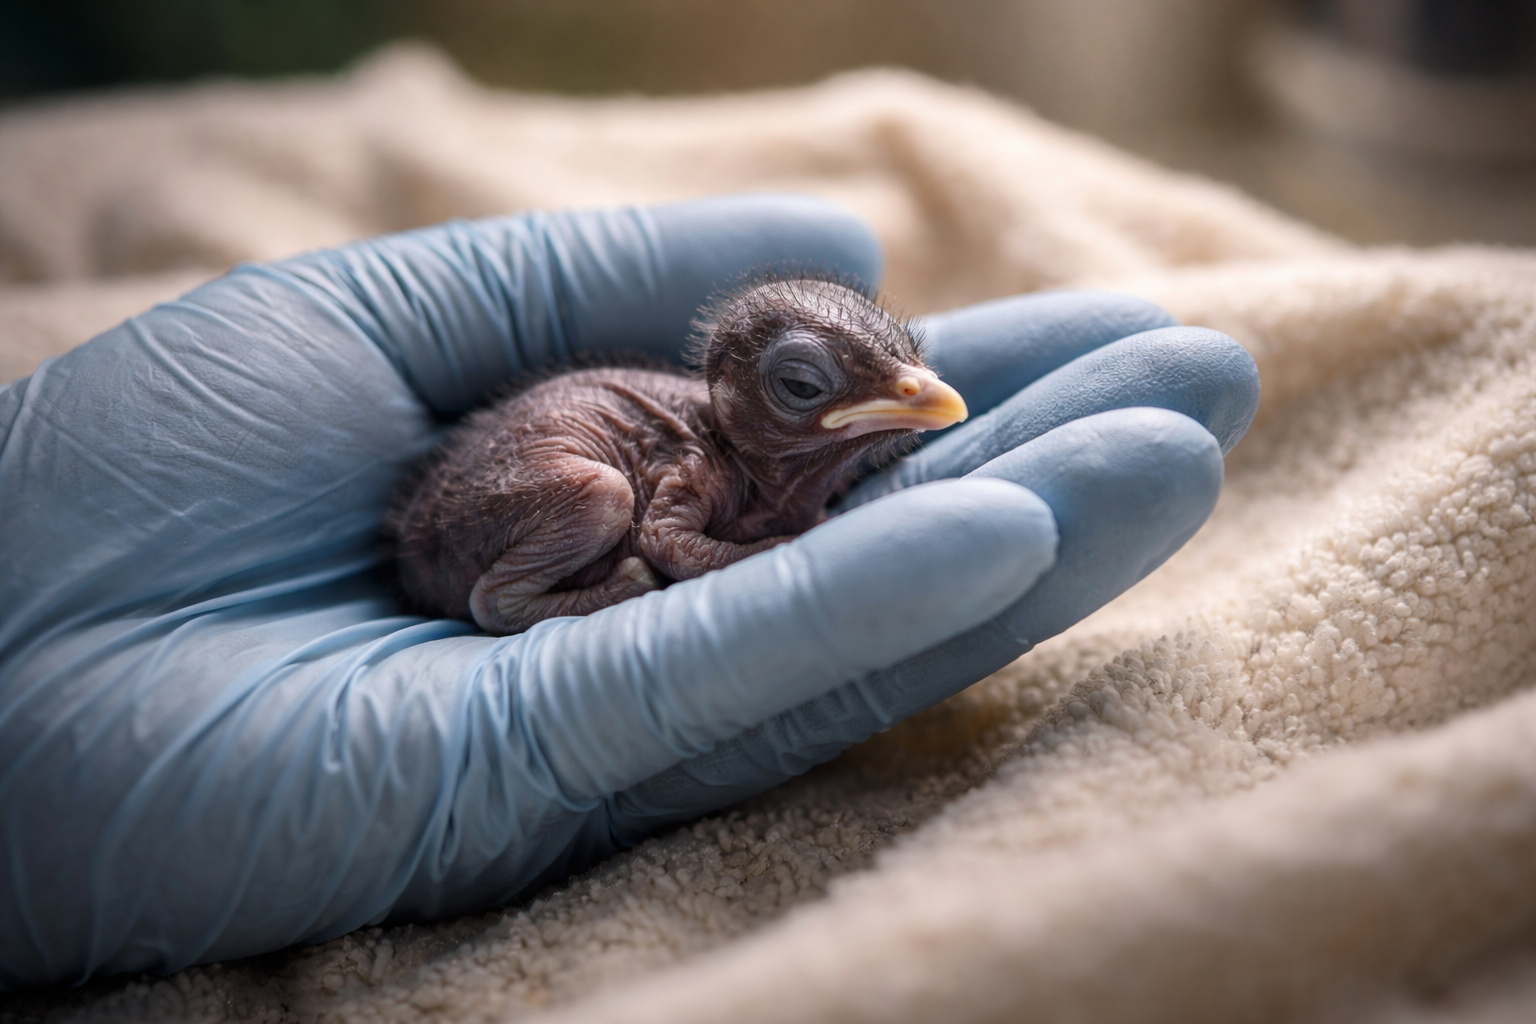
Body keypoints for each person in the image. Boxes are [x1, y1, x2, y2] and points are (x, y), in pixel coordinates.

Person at [0, 194, 1258, 989]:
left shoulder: (789, 443)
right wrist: (741, 566)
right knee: (598, 503)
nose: (909, 401)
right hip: (500, 542)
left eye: (902, 370)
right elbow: (664, 528)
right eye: (810, 392)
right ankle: (520, 599)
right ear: (729, 396)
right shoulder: (697, 464)